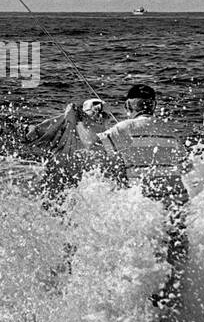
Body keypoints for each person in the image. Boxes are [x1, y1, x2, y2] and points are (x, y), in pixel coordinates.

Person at [78, 83, 190, 310]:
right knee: (171, 276)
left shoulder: (124, 129)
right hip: (178, 210)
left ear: (128, 105)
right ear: (154, 106)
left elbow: (91, 144)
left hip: (146, 212)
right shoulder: (172, 131)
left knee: (144, 276)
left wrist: (82, 119)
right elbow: (184, 167)